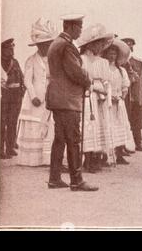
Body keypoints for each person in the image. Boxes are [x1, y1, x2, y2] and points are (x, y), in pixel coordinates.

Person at [46, 14, 98, 191]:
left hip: (57, 99)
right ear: (71, 27)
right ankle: (77, 180)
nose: (81, 31)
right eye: (80, 27)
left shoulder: (56, 44)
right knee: (73, 139)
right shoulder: (67, 46)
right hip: (68, 100)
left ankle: (54, 178)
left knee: (59, 139)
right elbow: (75, 72)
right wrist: (88, 79)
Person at [17, 18, 57, 166]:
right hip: (35, 97)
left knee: (48, 124)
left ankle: (46, 158)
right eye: (42, 45)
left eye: (47, 44)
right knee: (34, 125)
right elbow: (27, 80)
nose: (45, 47)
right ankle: (31, 159)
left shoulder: (54, 60)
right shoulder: (31, 60)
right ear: (38, 45)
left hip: (50, 96)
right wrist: (33, 96)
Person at [77, 24, 115, 173]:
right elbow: (80, 79)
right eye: (98, 43)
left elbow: (107, 82)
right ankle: (87, 158)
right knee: (87, 127)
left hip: (101, 99)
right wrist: (94, 87)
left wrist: (106, 93)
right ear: (90, 44)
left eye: (102, 44)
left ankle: (97, 158)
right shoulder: (81, 60)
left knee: (100, 126)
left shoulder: (103, 62)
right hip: (87, 97)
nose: (101, 47)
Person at [103, 39, 133, 165]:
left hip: (118, 103)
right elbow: (102, 84)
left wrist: (121, 96)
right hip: (106, 103)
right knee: (107, 127)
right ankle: (105, 156)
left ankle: (119, 154)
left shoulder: (121, 70)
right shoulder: (103, 68)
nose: (112, 56)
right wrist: (109, 96)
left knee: (120, 126)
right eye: (110, 53)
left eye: (114, 54)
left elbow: (125, 85)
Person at [0, 38, 25, 159]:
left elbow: (21, 77)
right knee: (2, 122)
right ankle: (0, 150)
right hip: (4, 95)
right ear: (2, 50)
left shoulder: (15, 62)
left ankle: (10, 148)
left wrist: (23, 92)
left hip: (16, 96)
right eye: (8, 48)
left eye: (12, 48)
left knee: (12, 122)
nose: (11, 50)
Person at [121, 37, 142, 152]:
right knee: (122, 120)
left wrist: (141, 96)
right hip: (124, 96)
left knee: (137, 121)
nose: (128, 49)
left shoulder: (139, 62)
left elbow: (141, 80)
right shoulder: (119, 62)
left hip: (136, 96)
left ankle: (138, 143)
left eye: (130, 47)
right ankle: (122, 146)